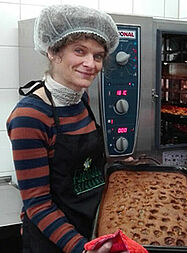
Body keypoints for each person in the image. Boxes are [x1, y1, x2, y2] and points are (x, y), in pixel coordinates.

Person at [6, 4, 121, 253]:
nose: (90, 63)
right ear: (52, 51)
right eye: (79, 51)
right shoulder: (30, 115)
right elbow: (37, 203)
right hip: (55, 241)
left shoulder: (81, 99)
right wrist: (83, 248)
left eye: (98, 55)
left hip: (93, 227)